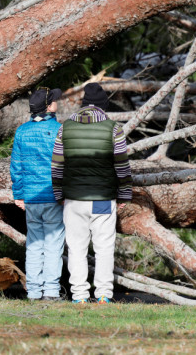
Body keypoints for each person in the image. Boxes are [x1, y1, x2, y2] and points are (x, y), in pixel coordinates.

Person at [51, 82, 132, 305]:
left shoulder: (65, 128)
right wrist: (124, 193)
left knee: (76, 248)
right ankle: (104, 294)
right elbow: (122, 166)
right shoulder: (113, 129)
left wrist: (59, 193)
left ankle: (79, 295)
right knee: (104, 247)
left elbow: (57, 165)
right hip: (103, 198)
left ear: (84, 105)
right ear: (103, 107)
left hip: (74, 199)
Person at [10, 87, 65, 301]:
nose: (57, 103)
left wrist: (19, 194)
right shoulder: (60, 130)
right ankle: (51, 291)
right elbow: (63, 166)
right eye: (55, 101)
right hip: (53, 197)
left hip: (31, 198)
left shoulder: (22, 131)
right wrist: (64, 193)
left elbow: (16, 166)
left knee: (34, 245)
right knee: (53, 245)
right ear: (48, 107)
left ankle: (33, 291)